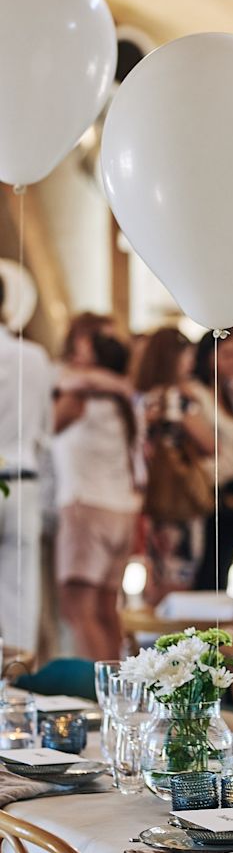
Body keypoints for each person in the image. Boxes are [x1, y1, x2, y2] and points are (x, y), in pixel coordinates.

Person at [52, 314, 140, 659]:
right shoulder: (123, 402)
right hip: (122, 511)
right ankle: (123, 692)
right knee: (106, 611)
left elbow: (47, 426)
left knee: (78, 612)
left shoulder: (78, 398)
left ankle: (101, 700)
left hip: (86, 506)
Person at [135, 327, 215, 603]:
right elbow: (209, 444)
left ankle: (152, 640)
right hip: (180, 498)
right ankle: (175, 640)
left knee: (156, 574)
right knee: (178, 581)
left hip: (152, 496)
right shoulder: (178, 399)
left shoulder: (143, 397)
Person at [0, 275, 53, 653]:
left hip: (17, 476)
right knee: (20, 595)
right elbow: (46, 427)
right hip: (25, 479)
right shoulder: (34, 356)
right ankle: (16, 685)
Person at [190, 329, 233, 591]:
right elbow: (210, 445)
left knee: (223, 570)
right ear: (210, 357)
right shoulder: (196, 394)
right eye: (229, 355)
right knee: (208, 570)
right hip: (209, 491)